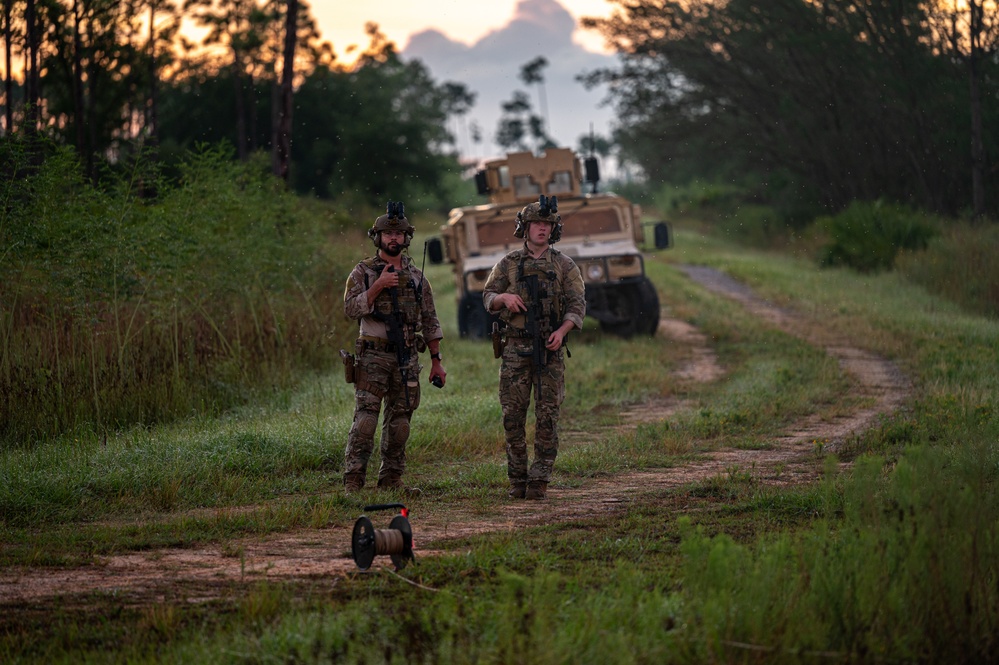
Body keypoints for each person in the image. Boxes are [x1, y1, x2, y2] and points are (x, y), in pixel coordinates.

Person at [482, 195, 585, 500]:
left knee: (547, 415)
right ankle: (517, 477)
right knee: (513, 416)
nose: (542, 229)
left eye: (547, 224)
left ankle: (539, 478)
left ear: (554, 230)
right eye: (536, 223)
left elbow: (577, 305)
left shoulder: (565, 265)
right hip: (515, 349)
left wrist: (563, 329)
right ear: (524, 228)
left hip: (549, 350)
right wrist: (504, 299)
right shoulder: (509, 263)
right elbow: (488, 296)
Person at [342, 201, 446, 493]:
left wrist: (437, 361)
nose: (393, 238)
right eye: (388, 234)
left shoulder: (417, 278)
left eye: (399, 234)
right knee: (365, 421)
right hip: (373, 356)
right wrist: (378, 286)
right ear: (377, 238)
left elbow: (430, 320)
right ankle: (353, 479)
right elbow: (350, 309)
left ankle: (391, 478)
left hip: (407, 357)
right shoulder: (362, 272)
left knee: (400, 423)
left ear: (406, 238)